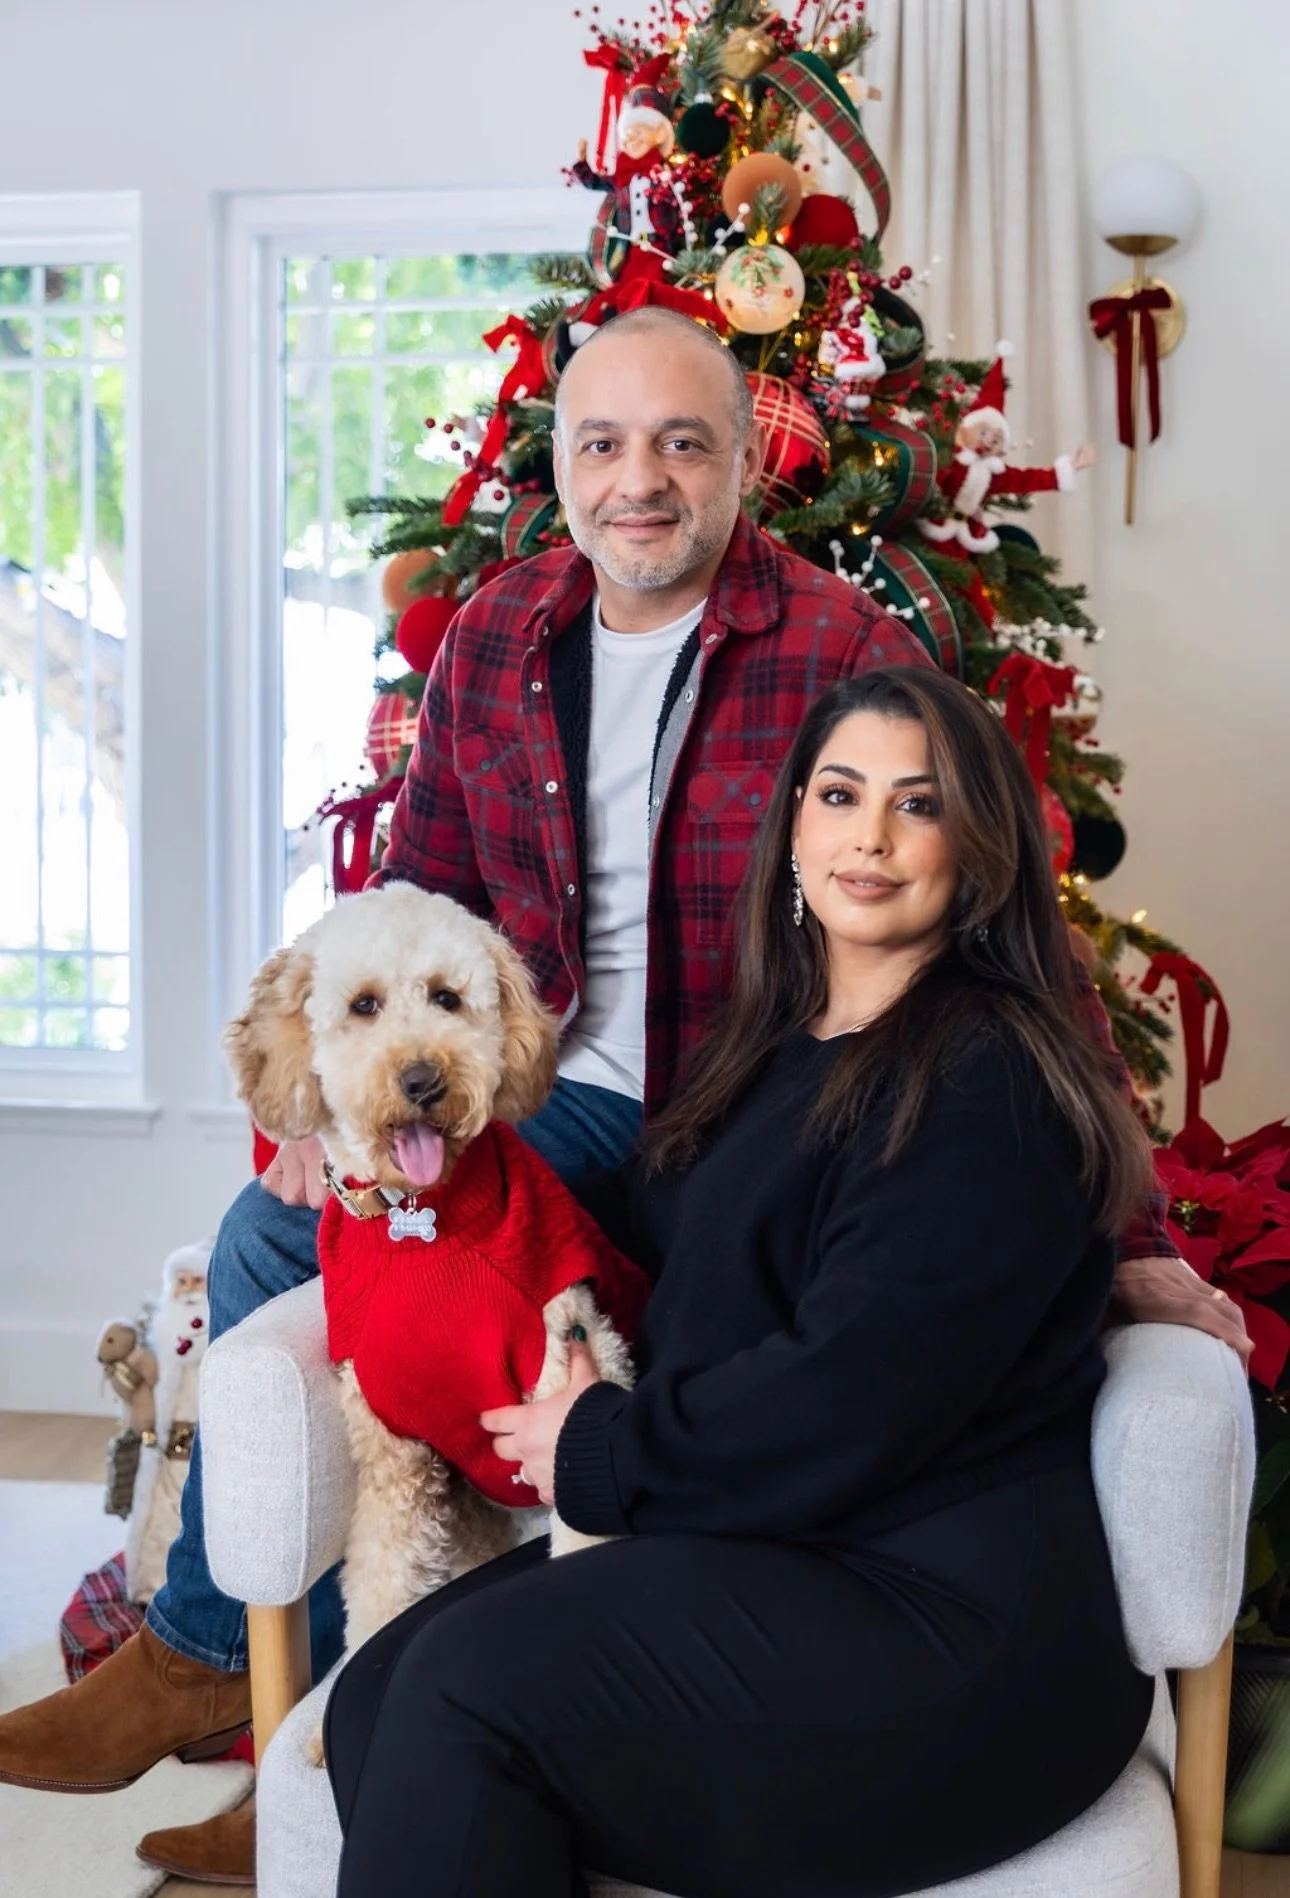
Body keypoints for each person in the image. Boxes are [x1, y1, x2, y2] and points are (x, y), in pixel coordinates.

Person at [0, 310, 1242, 1885]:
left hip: (715, 1099)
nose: (638, 480)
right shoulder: (504, 630)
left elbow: (1009, 949)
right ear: (559, 465)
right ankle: (216, 1658)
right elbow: (416, 893)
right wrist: (322, 1117)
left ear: (744, 462)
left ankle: (372, 1669)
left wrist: (1111, 1224)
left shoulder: (838, 652)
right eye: (601, 444)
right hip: (550, 1081)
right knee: (270, 1237)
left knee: (496, 1588)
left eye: (681, 444)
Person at [324, 667, 1162, 1897]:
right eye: (840, 793)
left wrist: (603, 1442)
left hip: (947, 1627)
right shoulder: (786, 1041)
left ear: (978, 853)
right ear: (797, 830)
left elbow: (854, 1391)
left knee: (454, 1697)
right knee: (378, 1694)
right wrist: (405, 1156)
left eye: (917, 805)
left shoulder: (990, 1079)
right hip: (769, 1544)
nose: (869, 835)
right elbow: (645, 1231)